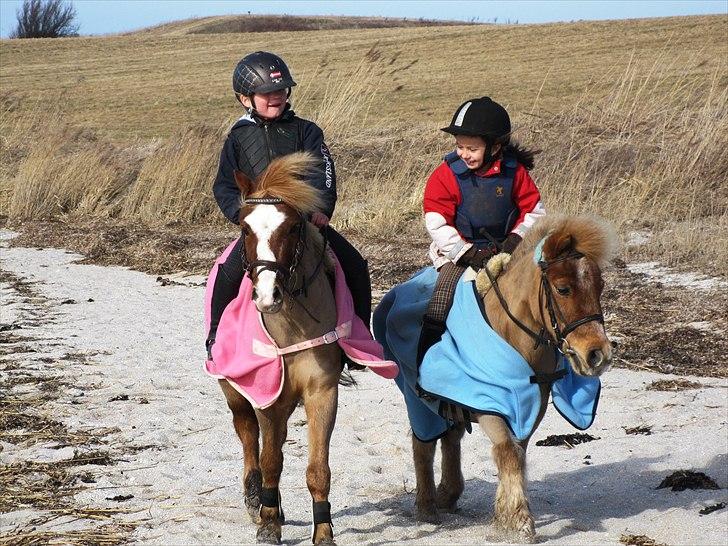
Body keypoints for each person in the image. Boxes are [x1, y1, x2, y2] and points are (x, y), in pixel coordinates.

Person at [206, 51, 371, 360]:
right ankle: (215, 336)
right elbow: (224, 186)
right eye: (267, 93)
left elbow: (323, 175)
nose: (276, 97)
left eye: (281, 91)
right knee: (225, 273)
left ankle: (358, 340)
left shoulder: (307, 131)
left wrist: (320, 211)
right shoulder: (237, 138)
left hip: (301, 223)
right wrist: (241, 216)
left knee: (355, 265)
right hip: (258, 227)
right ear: (245, 99)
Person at [417, 96, 545, 362]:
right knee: (440, 302)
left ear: (495, 147)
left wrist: (515, 240)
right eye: (460, 146)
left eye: (472, 149)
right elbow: (436, 220)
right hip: (460, 256)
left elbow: (534, 210)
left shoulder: (515, 172)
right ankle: (426, 361)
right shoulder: (446, 174)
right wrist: (466, 253)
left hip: (510, 252)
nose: (464, 154)